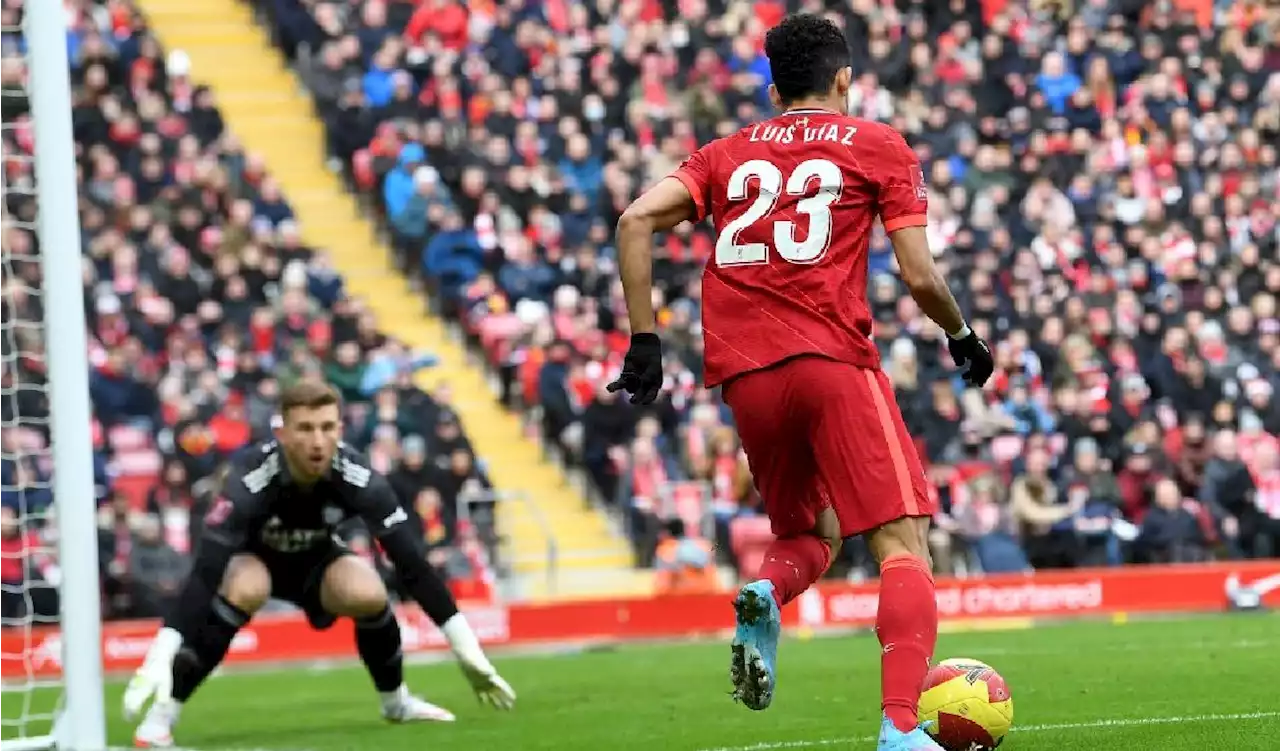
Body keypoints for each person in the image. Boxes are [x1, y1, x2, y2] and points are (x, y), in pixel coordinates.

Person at [606, 14, 993, 751]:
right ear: (844, 78)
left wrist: (645, 340)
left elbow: (634, 219)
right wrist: (962, 335)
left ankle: (767, 591)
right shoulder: (878, 145)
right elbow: (917, 273)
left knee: (807, 532)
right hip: (831, 361)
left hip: (746, 378)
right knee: (903, 541)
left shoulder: (726, 153)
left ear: (774, 85)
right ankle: (900, 727)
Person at [123, 380, 515, 748]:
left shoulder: (359, 477)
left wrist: (468, 651)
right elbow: (206, 574)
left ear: (340, 429)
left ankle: (395, 702)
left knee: (369, 592)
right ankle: (164, 712)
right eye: (305, 428)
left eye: (327, 428)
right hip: (255, 562)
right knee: (246, 586)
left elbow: (412, 565)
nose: (317, 441)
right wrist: (159, 656)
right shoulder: (250, 478)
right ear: (282, 434)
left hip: (316, 563)